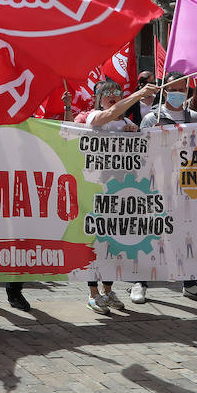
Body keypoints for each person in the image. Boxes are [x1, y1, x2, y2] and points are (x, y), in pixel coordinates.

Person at [133, 71, 197, 305]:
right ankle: (140, 282)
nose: (177, 93)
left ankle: (190, 284)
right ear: (163, 90)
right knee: (152, 234)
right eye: (173, 89)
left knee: (187, 233)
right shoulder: (152, 118)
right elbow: (142, 151)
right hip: (158, 185)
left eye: (182, 89)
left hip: (187, 187)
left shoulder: (195, 118)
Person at [81, 79, 157, 314]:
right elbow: (110, 113)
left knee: (115, 245)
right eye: (107, 93)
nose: (112, 96)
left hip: (122, 193)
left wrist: (134, 134)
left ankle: (107, 289)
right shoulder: (95, 117)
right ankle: (93, 294)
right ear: (98, 98)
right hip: (97, 191)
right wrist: (139, 94)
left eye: (117, 92)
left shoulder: (126, 122)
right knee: (96, 243)